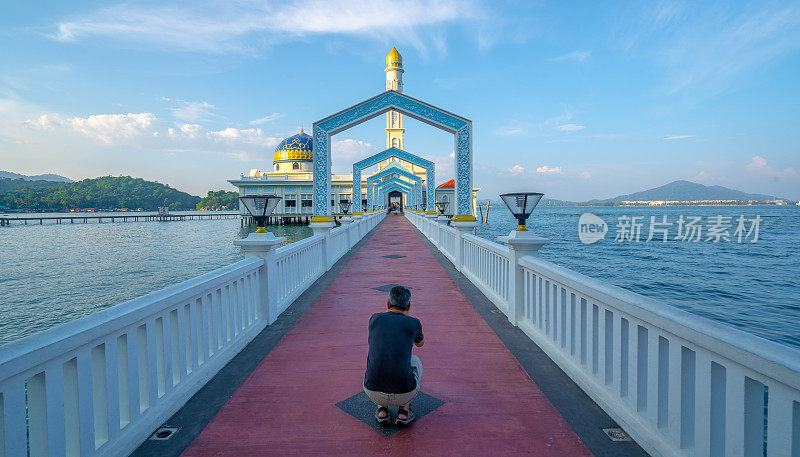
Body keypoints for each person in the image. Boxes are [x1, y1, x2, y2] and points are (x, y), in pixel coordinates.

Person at [363, 286, 424, 424]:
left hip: (372, 391)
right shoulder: (414, 322)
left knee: (379, 359)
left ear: (387, 304)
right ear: (409, 305)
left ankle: (382, 410)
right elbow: (420, 343)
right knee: (415, 361)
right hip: (404, 392)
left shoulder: (374, 319)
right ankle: (404, 411)